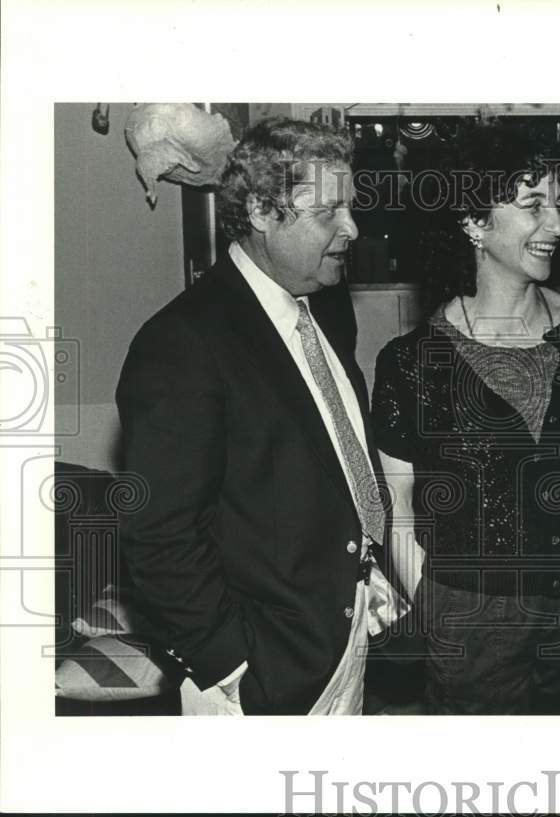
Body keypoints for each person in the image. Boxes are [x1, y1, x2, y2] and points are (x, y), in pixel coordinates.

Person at [117, 118, 394, 715]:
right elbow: (159, 537)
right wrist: (231, 666)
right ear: (264, 212)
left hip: (344, 639)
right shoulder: (182, 342)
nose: (352, 228)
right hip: (258, 676)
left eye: (350, 207)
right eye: (329, 213)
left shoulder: (327, 308)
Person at [370, 123, 560, 714]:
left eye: (558, 203)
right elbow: (397, 506)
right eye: (532, 205)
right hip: (472, 624)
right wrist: (436, 603)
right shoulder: (412, 363)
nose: (557, 224)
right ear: (474, 223)